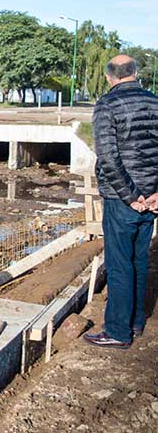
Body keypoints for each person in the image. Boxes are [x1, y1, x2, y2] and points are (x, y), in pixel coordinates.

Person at [83, 54, 158, 349]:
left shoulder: (107, 105)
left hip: (122, 200)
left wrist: (131, 197)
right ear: (136, 73)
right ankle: (136, 321)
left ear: (109, 76)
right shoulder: (154, 101)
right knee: (139, 260)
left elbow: (109, 158)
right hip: (150, 199)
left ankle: (116, 331)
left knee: (119, 264)